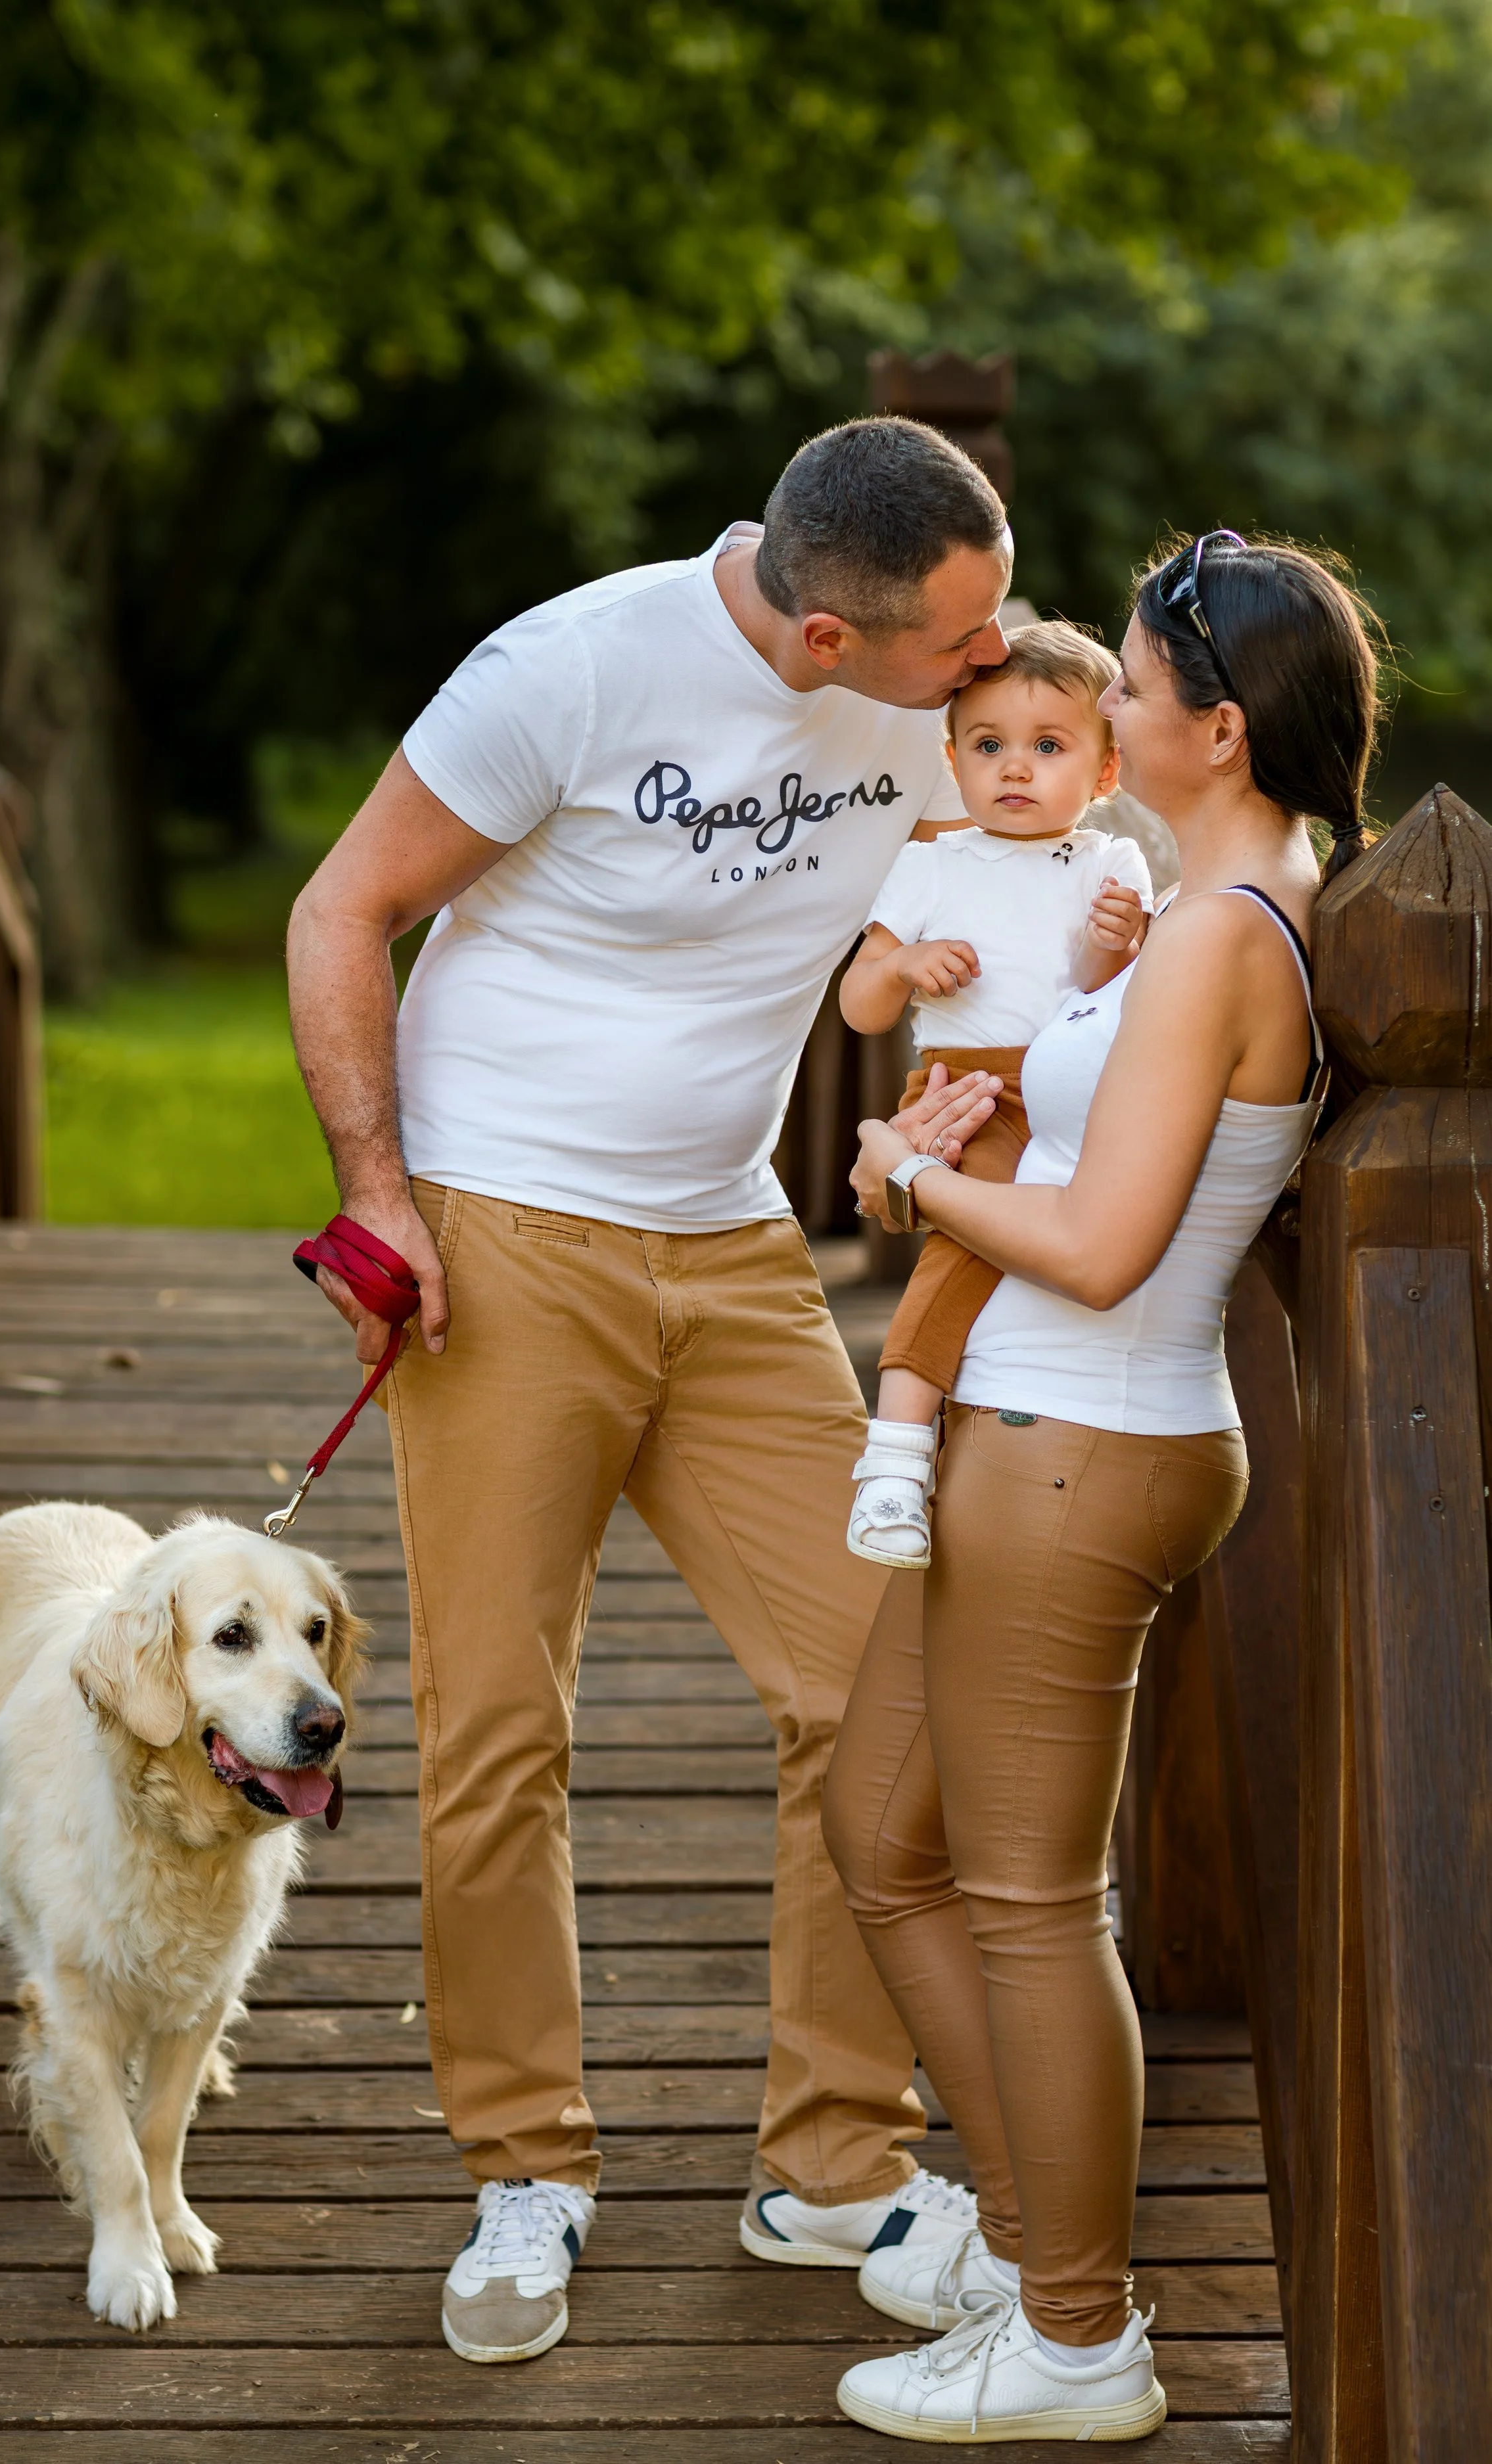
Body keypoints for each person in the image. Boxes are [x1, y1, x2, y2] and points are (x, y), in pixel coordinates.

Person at [286, 417, 1018, 2366]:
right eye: (956, 640)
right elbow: (338, 906)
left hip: (734, 1241)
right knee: (497, 1724)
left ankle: (833, 2163)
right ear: (823, 638)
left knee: (873, 1687)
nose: (989, 661)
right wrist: (377, 1195)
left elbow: (1109, 807)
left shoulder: (936, 701)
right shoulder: (569, 672)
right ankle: (523, 2164)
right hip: (502, 1235)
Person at [820, 532, 1381, 2443]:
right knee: (880, 1832)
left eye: (1127, 690)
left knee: (1028, 1903)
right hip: (1026, 1431)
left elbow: (1101, 1244)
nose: (1102, 712)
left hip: (1078, 1442)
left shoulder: (1222, 933)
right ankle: (1022, 2232)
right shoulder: (1208, 902)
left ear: (1216, 729)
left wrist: (907, 1177)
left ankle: (1074, 2337)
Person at [838, 622, 1152, 1567]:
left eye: (1049, 746)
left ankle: (946, 1438)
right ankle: (896, 1454)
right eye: (987, 745)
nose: (1015, 767)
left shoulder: (1110, 863)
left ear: (1106, 770)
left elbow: (1105, 991)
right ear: (953, 759)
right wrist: (906, 966)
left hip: (1075, 1082)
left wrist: (1115, 944)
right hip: (966, 1089)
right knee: (971, 1248)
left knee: (1028, 1250)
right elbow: (859, 1003)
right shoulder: (932, 864)